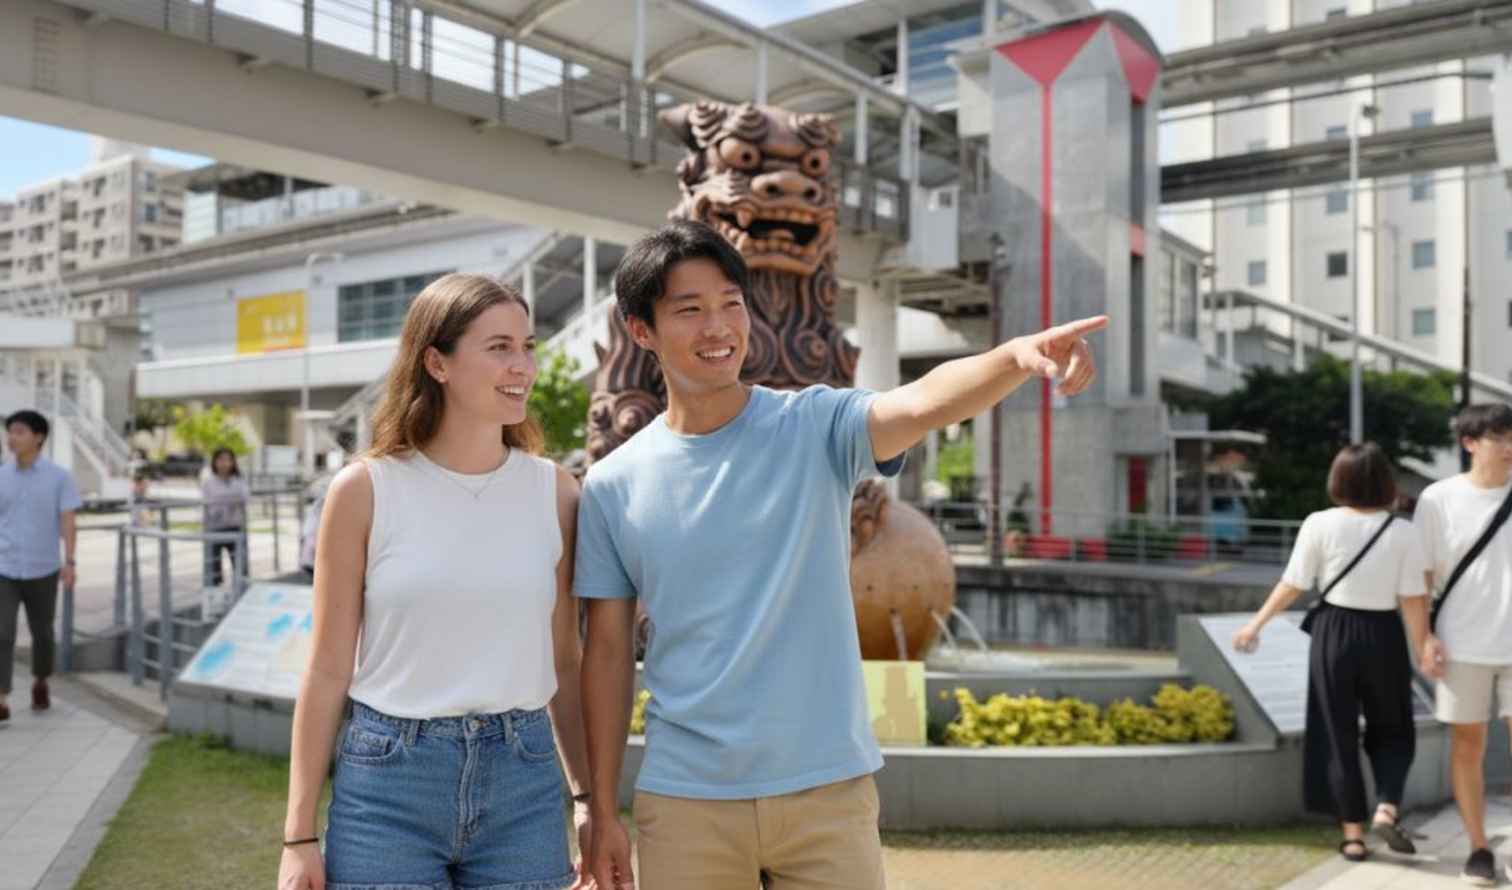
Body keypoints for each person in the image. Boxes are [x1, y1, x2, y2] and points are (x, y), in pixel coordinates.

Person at [577, 220, 1106, 890]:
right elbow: (606, 652)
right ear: (642, 330)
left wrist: (1013, 359)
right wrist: (598, 806)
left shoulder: (813, 425)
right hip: (687, 799)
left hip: (827, 790)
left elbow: (919, 402)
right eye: (690, 310)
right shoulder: (611, 485)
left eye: (730, 305)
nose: (718, 328)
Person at [277, 274, 593, 890]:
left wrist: (586, 799)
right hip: (388, 783)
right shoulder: (364, 490)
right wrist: (298, 835)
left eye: (528, 346)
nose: (522, 365)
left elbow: (566, 660)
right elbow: (327, 668)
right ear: (436, 362)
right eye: (499, 347)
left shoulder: (554, 492)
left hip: (523, 781)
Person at [1233, 443, 1428, 863]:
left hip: (1333, 632)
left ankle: (1353, 836)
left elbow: (1294, 582)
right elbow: (1414, 598)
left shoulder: (1319, 523)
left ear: (1337, 480)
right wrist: (1424, 646)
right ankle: (1386, 807)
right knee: (1394, 726)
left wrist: (1256, 624)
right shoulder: (1404, 532)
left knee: (1335, 733)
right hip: (1383, 633)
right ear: (1386, 482)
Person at [1414, 403, 1512, 887]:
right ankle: (1478, 849)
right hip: (1461, 643)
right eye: (1500, 437)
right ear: (1470, 443)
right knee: (1468, 746)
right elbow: (1421, 576)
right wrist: (1424, 637)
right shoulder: (1438, 499)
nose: (1510, 446)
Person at [0, 410, 82, 724]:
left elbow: (67, 520)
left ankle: (40, 680)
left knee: (42, 633)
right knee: (2, 632)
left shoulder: (59, 477)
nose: (12, 438)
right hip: (4, 567)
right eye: (10, 432)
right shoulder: (1, 476)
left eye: (19, 432)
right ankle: (2, 697)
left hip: (43, 567)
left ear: (38, 437)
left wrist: (70, 561)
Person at [201, 447, 250, 588]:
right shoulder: (208, 482)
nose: (225, 463)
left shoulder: (239, 480)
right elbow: (211, 505)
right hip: (214, 529)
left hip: (235, 527)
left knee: (240, 566)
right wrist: (232, 499)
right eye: (221, 459)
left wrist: (224, 499)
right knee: (214, 568)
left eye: (228, 459)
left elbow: (245, 497)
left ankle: (241, 593)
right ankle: (216, 599)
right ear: (215, 462)